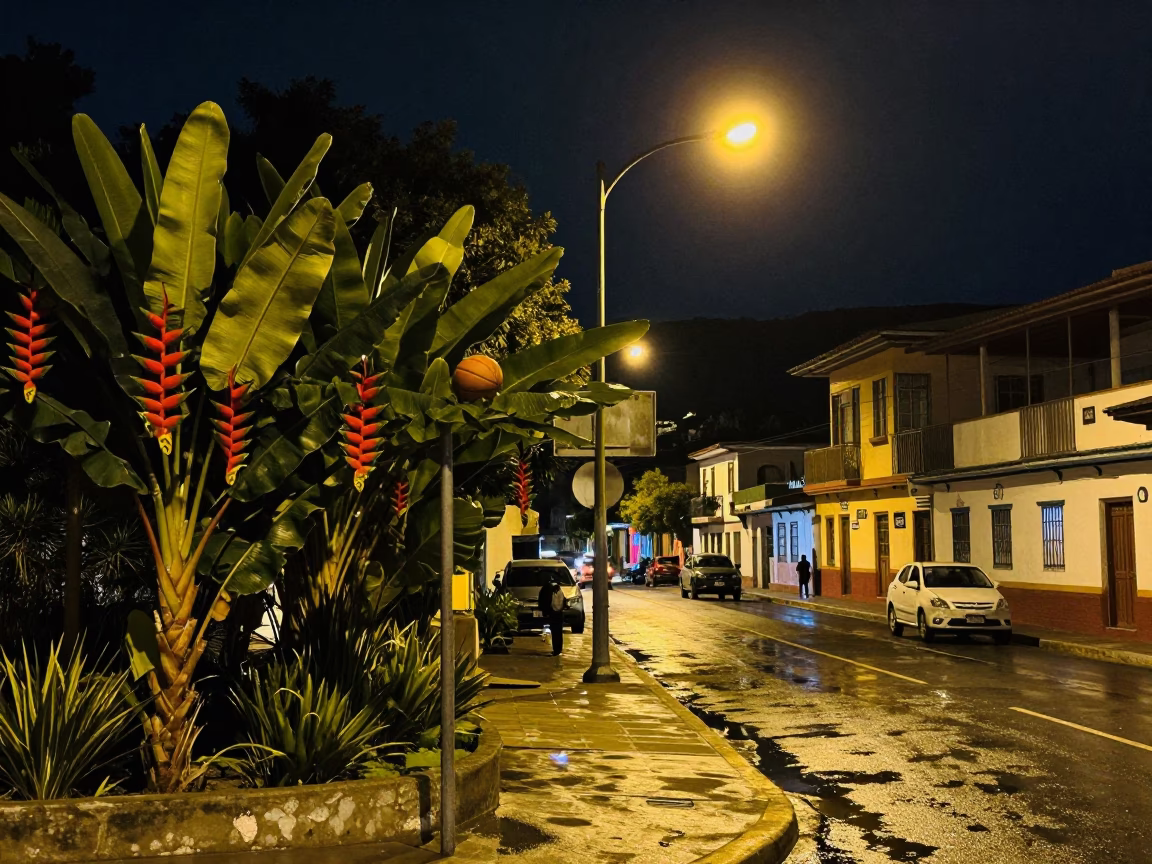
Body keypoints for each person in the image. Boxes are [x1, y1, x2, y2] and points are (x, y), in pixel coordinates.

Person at [538, 575, 566, 655]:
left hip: (552, 613)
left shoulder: (546, 588)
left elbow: (543, 601)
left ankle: (556, 650)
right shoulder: (560, 589)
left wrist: (545, 612)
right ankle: (558, 649)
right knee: (558, 631)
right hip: (559, 613)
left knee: (555, 631)